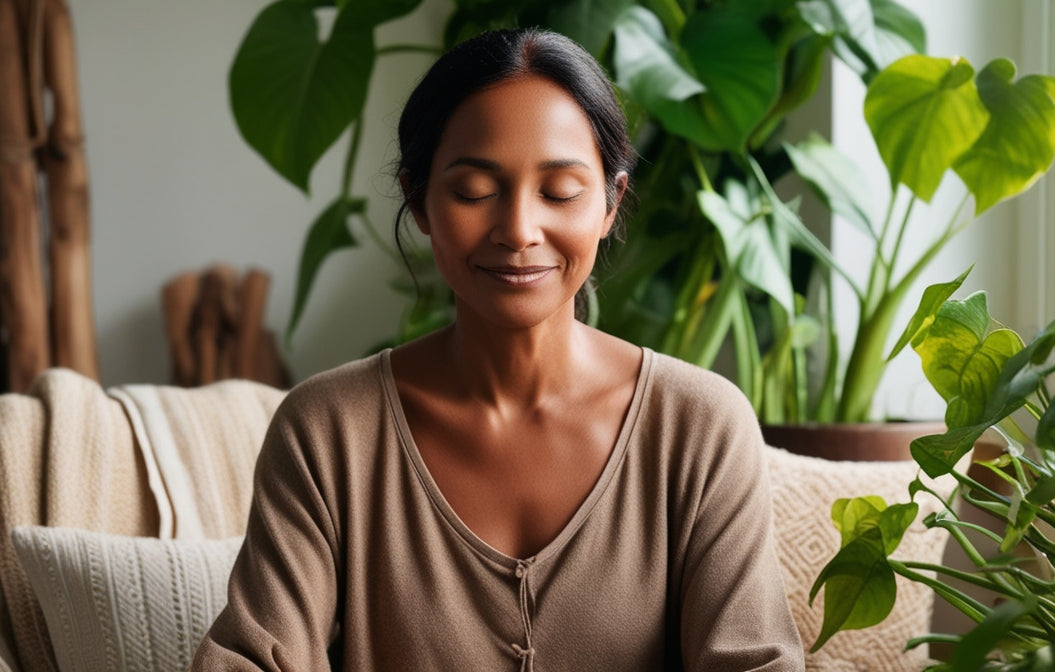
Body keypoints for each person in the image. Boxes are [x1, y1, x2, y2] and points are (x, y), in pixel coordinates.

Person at [190, 27, 804, 672]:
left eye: (560, 192)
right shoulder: (328, 431)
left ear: (610, 203)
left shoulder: (700, 427)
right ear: (419, 201)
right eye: (474, 192)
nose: (518, 230)